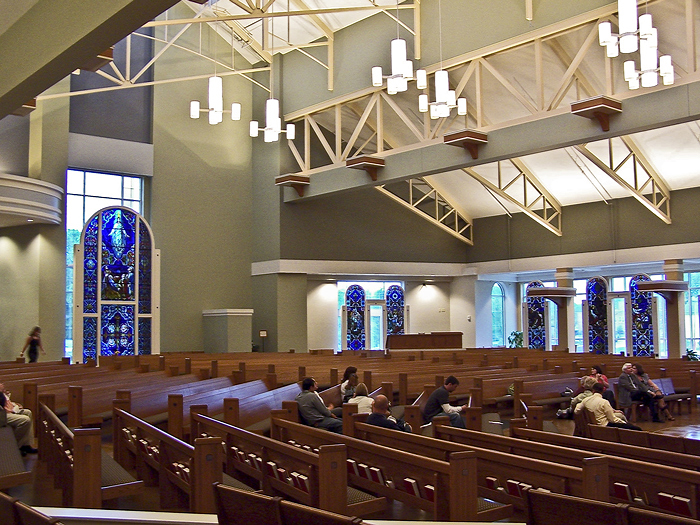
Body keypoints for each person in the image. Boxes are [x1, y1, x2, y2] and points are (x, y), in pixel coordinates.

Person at [575, 383, 642, 430]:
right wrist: (625, 423)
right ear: (603, 391)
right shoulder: (604, 402)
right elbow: (613, 419)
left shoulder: (586, 400)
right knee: (636, 428)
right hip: (604, 426)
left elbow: (576, 411)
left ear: (593, 391)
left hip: (593, 425)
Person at [0, 383, 37, 455]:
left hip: (4, 411)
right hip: (1, 414)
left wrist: (14, 405)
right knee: (25, 420)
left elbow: (5, 401)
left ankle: (26, 445)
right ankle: (13, 446)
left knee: (28, 412)